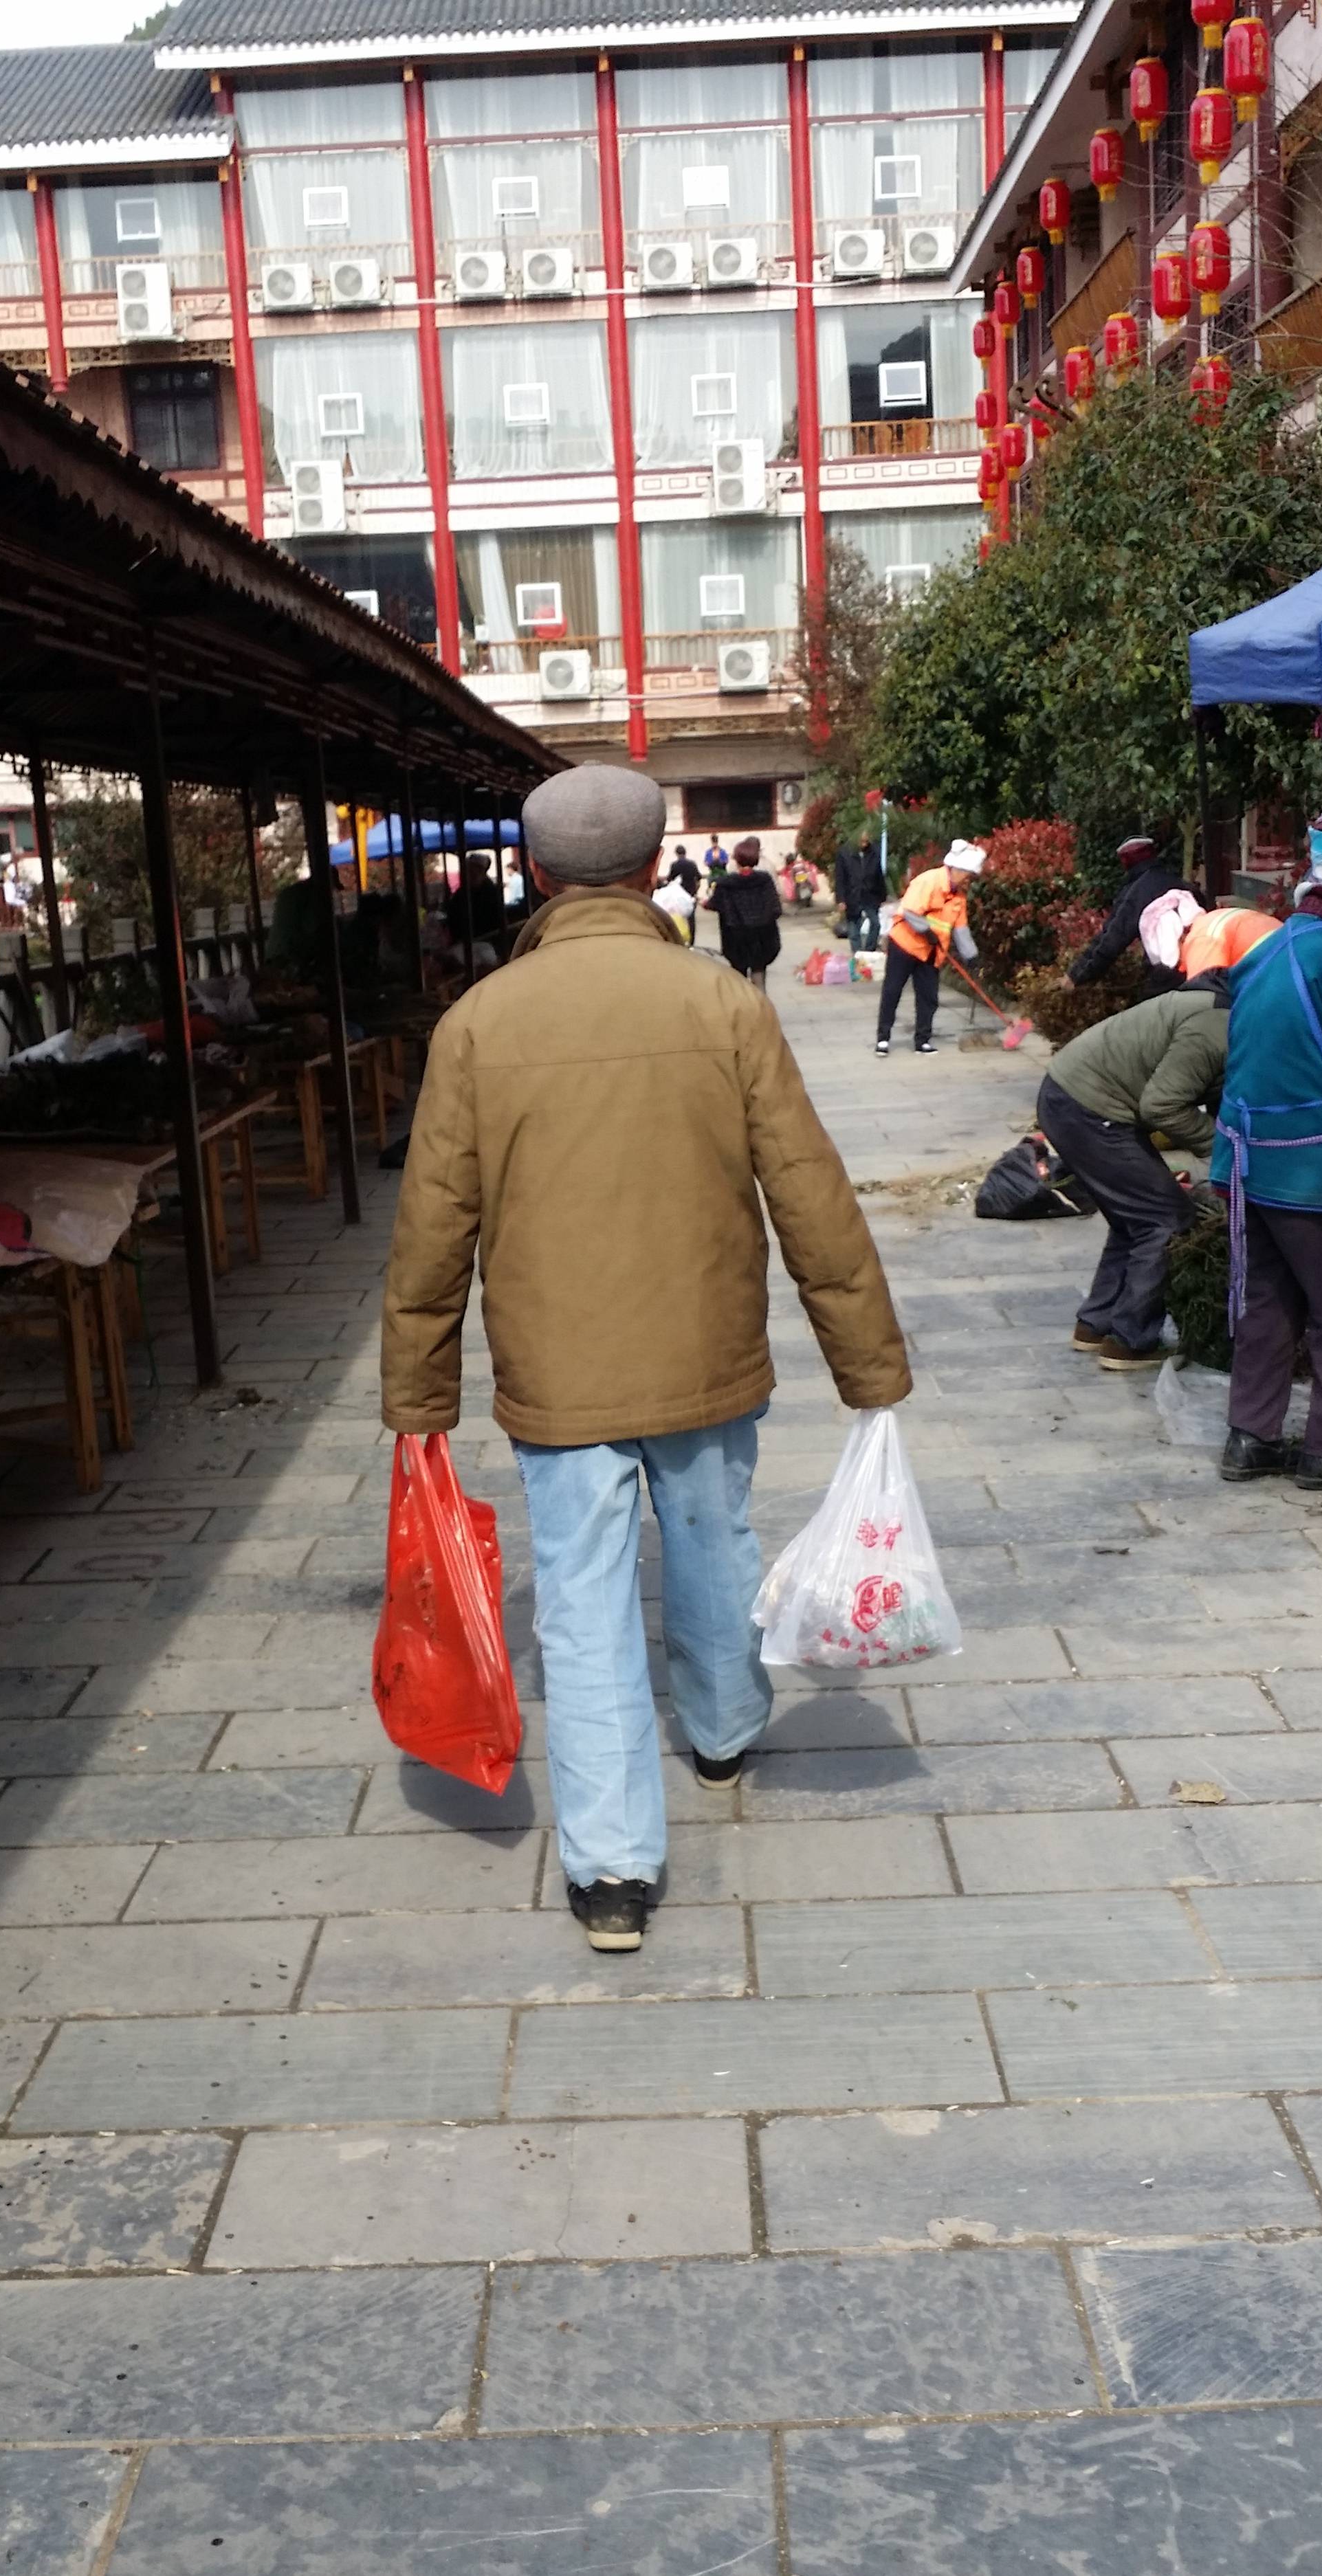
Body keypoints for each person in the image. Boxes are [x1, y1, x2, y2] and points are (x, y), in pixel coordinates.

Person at [380, 764, 911, 1953]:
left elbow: (430, 1228)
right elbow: (807, 1189)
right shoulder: (722, 1004)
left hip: (554, 1372)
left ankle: (612, 1869)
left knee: (579, 1600)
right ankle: (722, 1729)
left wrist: (418, 1396)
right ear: (647, 866)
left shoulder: (476, 1023)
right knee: (713, 1540)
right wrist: (866, 1363)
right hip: (707, 1346)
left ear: (534, 874)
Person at [1212, 851, 1322, 1487]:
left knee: (1267, 1305)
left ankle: (1250, 1439)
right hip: (1317, 1172)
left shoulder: (1266, 952)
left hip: (1246, 1163)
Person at [1037, 978, 1229, 1370]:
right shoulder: (1217, 1024)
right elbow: (1162, 1104)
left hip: (1072, 1098)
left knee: (1134, 1220)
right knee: (1166, 1220)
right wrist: (1223, 1150)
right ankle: (1131, 1341)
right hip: (1088, 1108)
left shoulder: (1221, 1008)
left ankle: (1096, 1324)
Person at [877, 840, 985, 1054]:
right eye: (968, 875)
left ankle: (923, 1040)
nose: (968, 880)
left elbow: (961, 930)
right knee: (892, 990)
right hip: (905, 944)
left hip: (931, 952)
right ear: (956, 869)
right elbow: (909, 911)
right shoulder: (929, 881)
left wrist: (972, 958)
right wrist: (927, 931)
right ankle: (883, 1038)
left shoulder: (959, 898)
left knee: (929, 997)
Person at [1065, 827, 1185, 992]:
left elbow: (1112, 939)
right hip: (1201, 962)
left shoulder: (1135, 894)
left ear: (1125, 862)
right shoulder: (1179, 884)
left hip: (1169, 973)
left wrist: (1077, 975)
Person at [712, 835, 782, 986]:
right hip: (762, 938)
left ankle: (745, 1007)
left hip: (735, 940)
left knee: (739, 979)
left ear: (737, 860)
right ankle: (761, 1007)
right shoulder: (764, 880)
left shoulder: (725, 883)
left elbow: (715, 904)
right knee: (759, 974)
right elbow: (775, 908)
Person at [835, 827, 887, 959]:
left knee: (875, 924)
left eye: (866, 842)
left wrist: (883, 895)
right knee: (854, 929)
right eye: (862, 842)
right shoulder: (844, 853)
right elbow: (840, 878)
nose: (864, 844)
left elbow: (879, 874)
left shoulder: (874, 851)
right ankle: (858, 956)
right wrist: (841, 899)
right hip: (852, 895)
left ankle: (869, 952)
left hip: (871, 895)